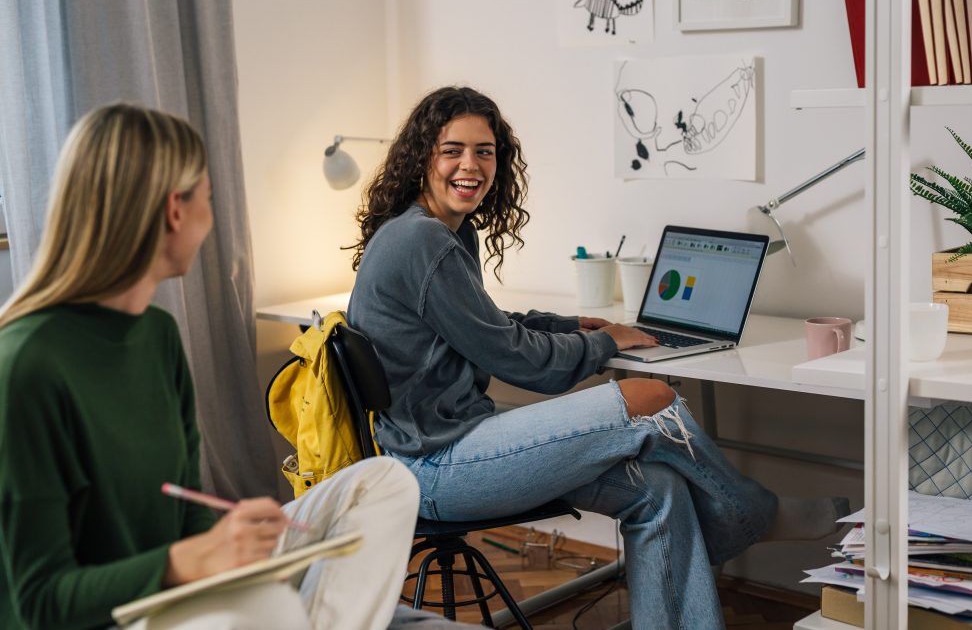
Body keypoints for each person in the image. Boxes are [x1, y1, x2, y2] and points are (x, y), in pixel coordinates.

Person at [345, 86, 849, 629]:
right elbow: (525, 365)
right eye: (453, 150)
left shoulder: (437, 232)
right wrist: (606, 344)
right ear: (423, 155)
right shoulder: (426, 242)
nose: (471, 165)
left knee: (659, 490)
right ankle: (755, 513)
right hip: (437, 467)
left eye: (484, 152)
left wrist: (575, 325)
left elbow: (489, 325)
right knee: (653, 399)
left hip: (443, 448)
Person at [0, 104, 478, 630]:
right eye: (209, 197)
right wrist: (189, 562)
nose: (212, 217)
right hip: (119, 613)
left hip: (181, 584)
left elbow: (183, 510)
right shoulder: (27, 366)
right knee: (268, 609)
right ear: (174, 211)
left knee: (385, 482)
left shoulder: (155, 337)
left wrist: (226, 542)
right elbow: (39, 603)